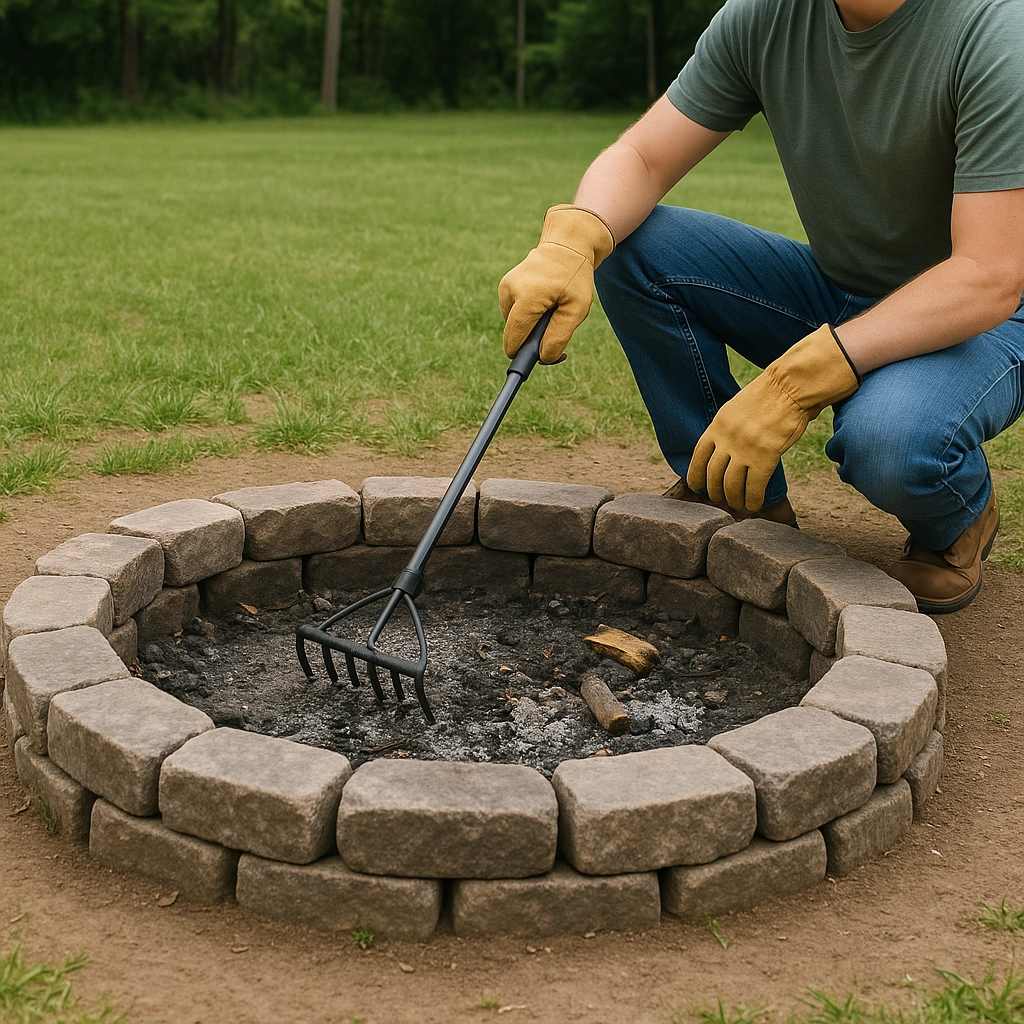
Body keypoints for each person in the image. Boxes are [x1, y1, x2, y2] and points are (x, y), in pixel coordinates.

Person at [498, 0, 1024, 615]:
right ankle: (735, 495)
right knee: (625, 241)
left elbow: (988, 275)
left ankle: (959, 518)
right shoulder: (766, 15)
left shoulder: (996, 32)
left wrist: (796, 381)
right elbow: (644, 156)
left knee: (889, 442)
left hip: (985, 316)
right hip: (839, 288)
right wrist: (575, 237)